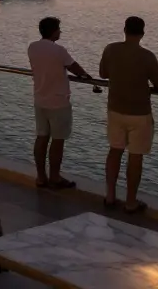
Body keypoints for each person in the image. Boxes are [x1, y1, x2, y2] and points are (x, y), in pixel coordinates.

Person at [98, 16, 158, 214]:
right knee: (135, 157)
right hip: (139, 113)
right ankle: (130, 202)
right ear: (143, 33)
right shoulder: (147, 56)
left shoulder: (110, 49)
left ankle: (110, 196)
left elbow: (103, 74)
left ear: (124, 30)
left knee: (114, 151)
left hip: (115, 110)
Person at [27, 16, 93, 189]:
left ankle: (41, 177)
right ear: (54, 31)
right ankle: (55, 177)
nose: (60, 32)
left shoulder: (32, 47)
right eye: (59, 29)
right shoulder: (59, 50)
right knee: (57, 140)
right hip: (58, 101)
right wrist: (87, 76)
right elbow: (74, 68)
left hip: (40, 99)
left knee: (41, 137)